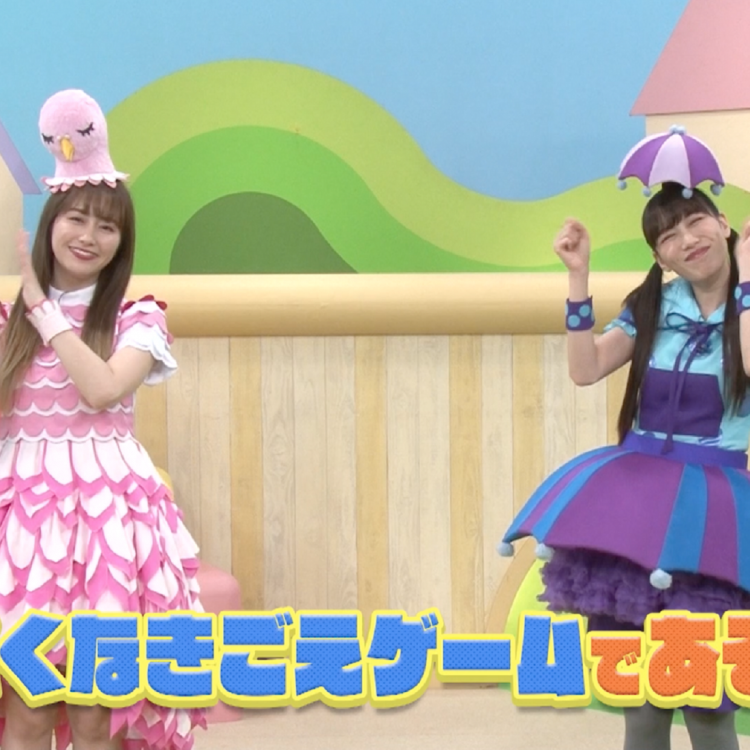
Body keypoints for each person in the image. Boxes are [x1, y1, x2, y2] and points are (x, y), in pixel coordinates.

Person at [498, 174, 750, 750]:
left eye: (696, 222)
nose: (687, 240)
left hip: (711, 508)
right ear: (660, 256)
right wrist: (578, 279)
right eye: (668, 236)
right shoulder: (653, 304)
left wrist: (748, 280)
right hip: (639, 501)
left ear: (723, 224)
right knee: (643, 699)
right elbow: (585, 369)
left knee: (707, 703)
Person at [0, 89, 206, 749]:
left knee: (97, 711)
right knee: (26, 705)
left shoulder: (138, 318)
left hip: (108, 526)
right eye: (76, 218)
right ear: (50, 223)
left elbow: (102, 390)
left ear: (123, 241)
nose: (89, 236)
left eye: (107, 226)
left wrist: (40, 304)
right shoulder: (6, 322)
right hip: (23, 526)